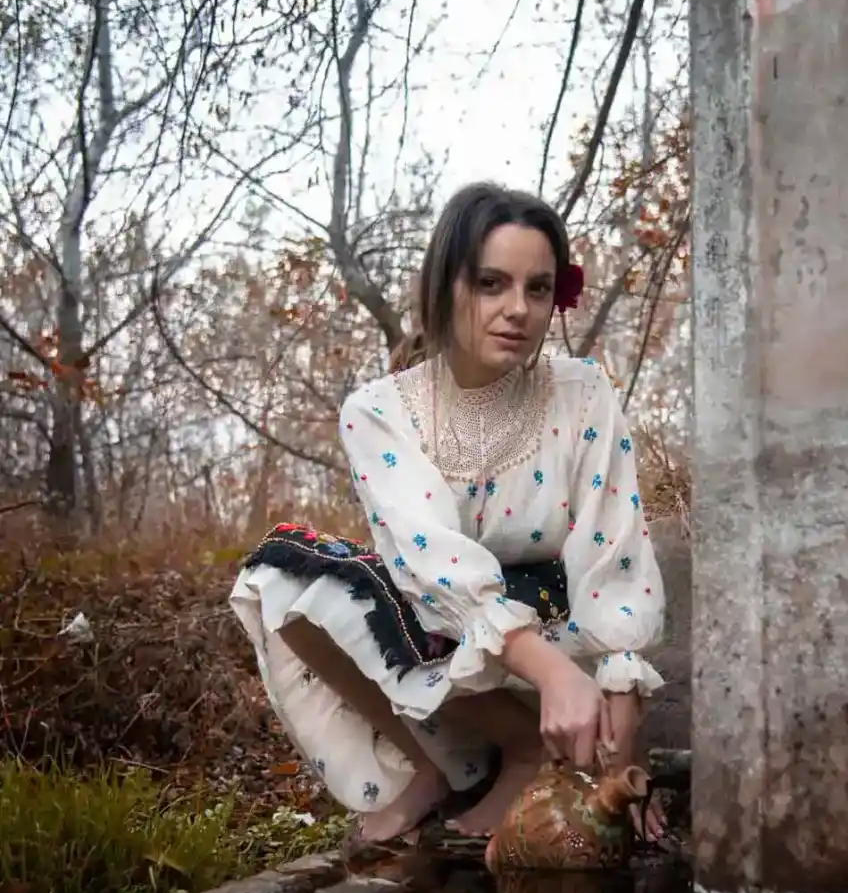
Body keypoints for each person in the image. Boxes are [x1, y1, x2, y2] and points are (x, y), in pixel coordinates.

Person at [230, 181, 667, 844]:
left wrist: (624, 729)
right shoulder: (380, 410)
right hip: (460, 624)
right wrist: (542, 669)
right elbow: (432, 561)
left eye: (538, 289)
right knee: (284, 580)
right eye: (491, 284)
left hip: (561, 631)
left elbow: (616, 554)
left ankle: (535, 757)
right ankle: (439, 765)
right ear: (447, 286)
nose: (517, 310)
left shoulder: (582, 393)